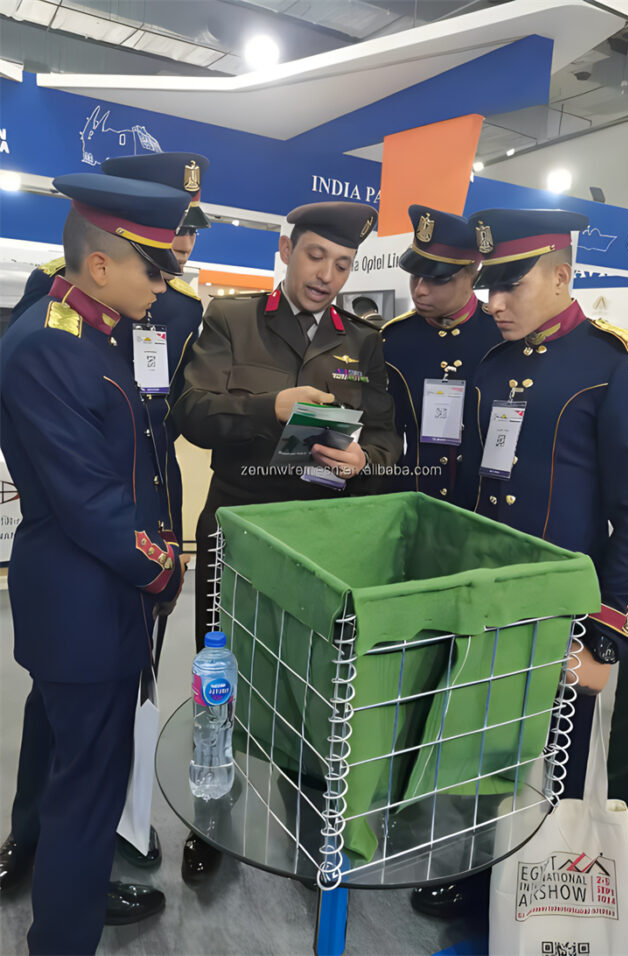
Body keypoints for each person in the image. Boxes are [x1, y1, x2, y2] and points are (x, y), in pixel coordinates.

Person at [414, 207, 628, 919]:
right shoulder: (494, 365)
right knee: (489, 756)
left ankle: (549, 907)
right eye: (487, 286)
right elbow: (476, 494)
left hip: (568, 624)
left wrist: (606, 641)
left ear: (561, 276)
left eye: (510, 285)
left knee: (558, 774)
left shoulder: (619, 368)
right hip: (499, 609)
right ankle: (481, 880)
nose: (492, 303)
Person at [172, 200, 402, 882]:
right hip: (238, 531)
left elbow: (386, 435)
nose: (326, 275)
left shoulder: (363, 340)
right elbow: (192, 413)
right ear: (285, 248)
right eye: (314, 257)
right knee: (223, 684)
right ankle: (212, 819)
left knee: (313, 686)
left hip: (322, 543)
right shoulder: (231, 320)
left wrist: (370, 462)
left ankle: (309, 822)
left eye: (342, 263)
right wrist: (264, 408)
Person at [1, 153, 210, 890]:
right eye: (153, 270)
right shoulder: (50, 347)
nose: (166, 283)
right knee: (88, 792)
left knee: (78, 770)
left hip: (102, 593)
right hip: (83, 595)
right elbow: (89, 500)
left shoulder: (97, 333)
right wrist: (163, 565)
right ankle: (64, 929)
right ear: (97, 265)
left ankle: (69, 894)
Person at [381, 205, 501, 501]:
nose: (419, 290)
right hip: (413, 495)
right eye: (414, 276)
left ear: (473, 272)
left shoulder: (501, 337)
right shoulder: (394, 340)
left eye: (438, 278)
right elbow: (386, 429)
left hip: (482, 504)